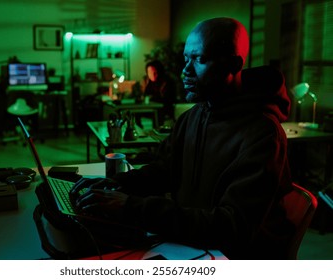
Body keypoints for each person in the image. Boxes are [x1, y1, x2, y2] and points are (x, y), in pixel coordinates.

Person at [70, 17, 294, 259]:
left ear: (233, 64)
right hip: (191, 243)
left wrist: (130, 207)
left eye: (199, 59)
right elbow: (165, 169)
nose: (185, 70)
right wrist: (118, 184)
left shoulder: (263, 133)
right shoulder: (193, 116)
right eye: (186, 59)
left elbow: (231, 227)